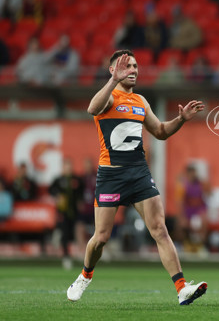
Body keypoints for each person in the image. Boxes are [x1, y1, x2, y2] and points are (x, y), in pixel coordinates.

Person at [66, 49, 208, 305]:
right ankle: (85, 276)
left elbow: (161, 132)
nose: (132, 70)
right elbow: (92, 108)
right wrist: (112, 82)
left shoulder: (141, 101)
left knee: (160, 229)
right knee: (101, 238)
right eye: (126, 66)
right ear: (113, 70)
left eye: (134, 65)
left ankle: (181, 288)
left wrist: (181, 119)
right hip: (111, 175)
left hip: (139, 173)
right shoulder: (110, 97)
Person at [49, 157, 84, 269]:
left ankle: (79, 253)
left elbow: (82, 191)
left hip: (74, 211)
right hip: (63, 211)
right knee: (65, 232)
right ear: (63, 168)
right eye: (65, 166)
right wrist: (57, 196)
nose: (67, 168)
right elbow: (51, 190)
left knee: (73, 233)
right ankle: (66, 256)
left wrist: (80, 200)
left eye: (69, 166)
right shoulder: (59, 180)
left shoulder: (76, 180)